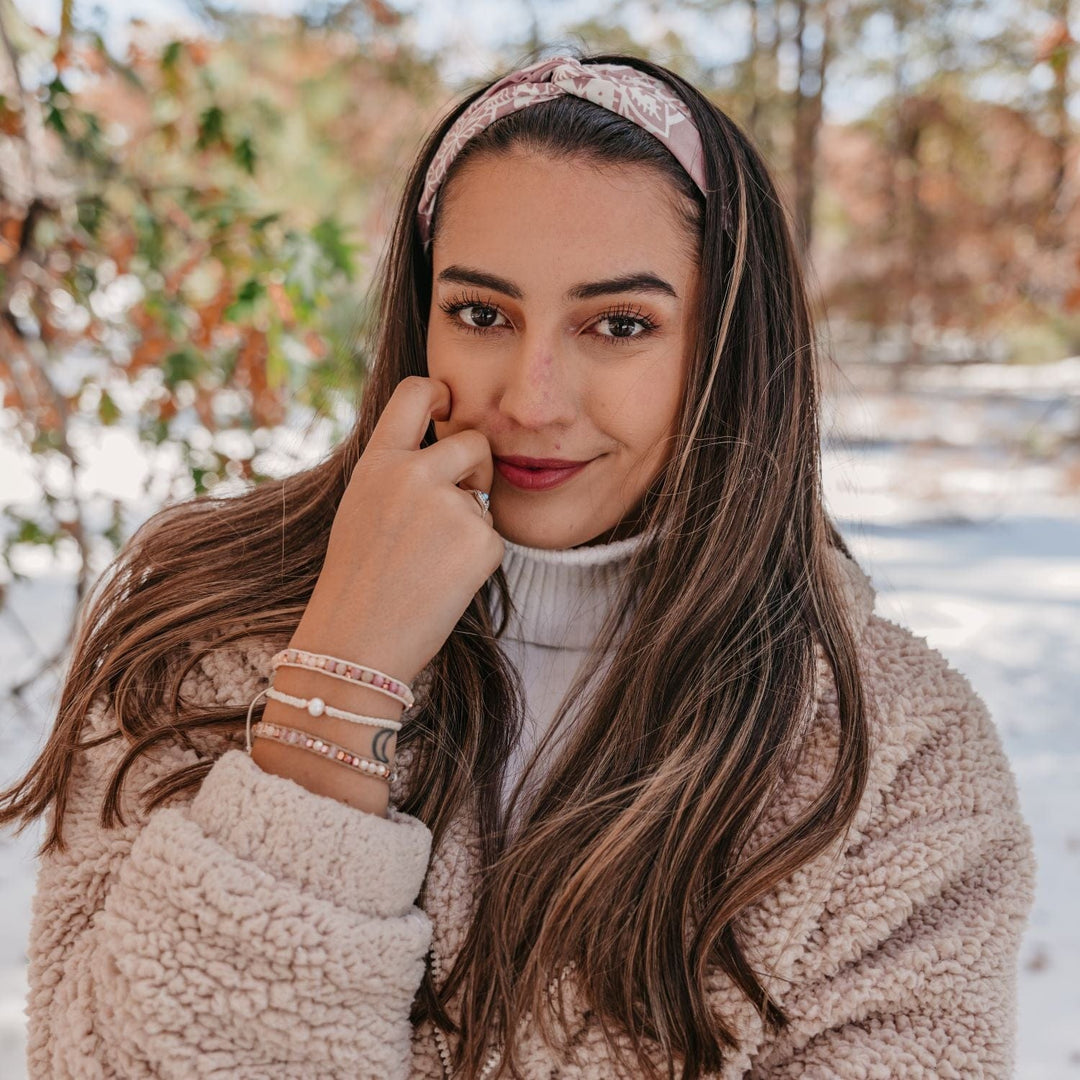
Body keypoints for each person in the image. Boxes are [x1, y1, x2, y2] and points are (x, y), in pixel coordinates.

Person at [1, 51, 1035, 1080]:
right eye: (482, 315)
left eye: (620, 324)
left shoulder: (891, 756)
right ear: (421, 317)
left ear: (726, 345)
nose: (533, 399)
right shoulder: (200, 633)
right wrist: (337, 678)